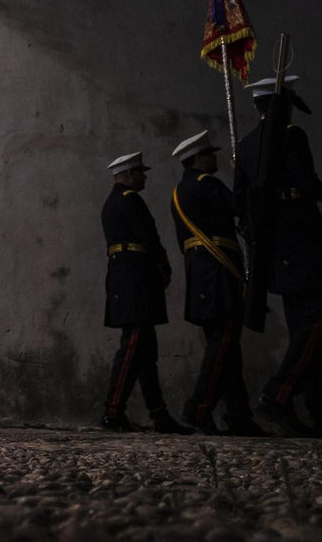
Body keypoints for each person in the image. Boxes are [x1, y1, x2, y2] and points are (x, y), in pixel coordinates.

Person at [235, 75, 322, 440]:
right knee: (318, 323)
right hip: (304, 241)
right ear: (284, 105)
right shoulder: (291, 136)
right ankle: (278, 394)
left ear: (256, 107)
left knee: (305, 334)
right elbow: (309, 187)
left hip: (276, 250)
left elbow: (240, 205)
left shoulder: (244, 147)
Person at [168, 129, 262, 436]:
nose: (215, 159)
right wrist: (243, 175)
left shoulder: (180, 190)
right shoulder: (205, 184)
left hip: (203, 272)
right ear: (198, 158)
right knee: (223, 342)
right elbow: (237, 205)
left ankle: (238, 416)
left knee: (226, 347)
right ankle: (197, 407)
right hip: (217, 269)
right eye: (210, 154)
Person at [100, 151, 191, 434]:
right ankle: (112, 412)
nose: (144, 176)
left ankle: (159, 415)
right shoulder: (130, 200)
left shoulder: (111, 202)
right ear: (129, 175)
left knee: (145, 354)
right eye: (140, 172)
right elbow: (149, 238)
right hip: (136, 280)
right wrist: (164, 267)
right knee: (133, 347)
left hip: (125, 277)